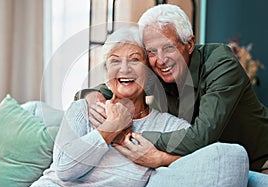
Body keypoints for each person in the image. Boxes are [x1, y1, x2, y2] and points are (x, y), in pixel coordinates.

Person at [30, 27, 248, 187]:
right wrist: (111, 127)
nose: (124, 69)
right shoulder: (84, 109)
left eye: (134, 60)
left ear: (150, 73)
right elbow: (65, 169)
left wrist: (160, 159)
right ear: (107, 72)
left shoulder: (170, 127)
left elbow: (208, 163)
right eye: (115, 61)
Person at [77, 4, 268, 174]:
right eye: (151, 51)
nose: (160, 60)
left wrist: (132, 137)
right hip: (210, 165)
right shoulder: (157, 71)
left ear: (190, 44)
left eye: (169, 48)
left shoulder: (220, 63)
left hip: (260, 164)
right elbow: (123, 82)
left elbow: (201, 137)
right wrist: (92, 95)